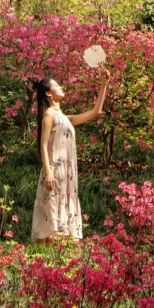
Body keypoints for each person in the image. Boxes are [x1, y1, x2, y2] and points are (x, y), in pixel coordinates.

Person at [31, 73, 108, 243]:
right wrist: (49, 172)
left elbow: (96, 112)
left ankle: (53, 259)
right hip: (55, 171)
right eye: (56, 85)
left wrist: (104, 84)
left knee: (59, 215)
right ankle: (45, 259)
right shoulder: (49, 115)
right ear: (49, 93)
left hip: (67, 175)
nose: (61, 87)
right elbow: (43, 145)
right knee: (50, 214)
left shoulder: (65, 118)